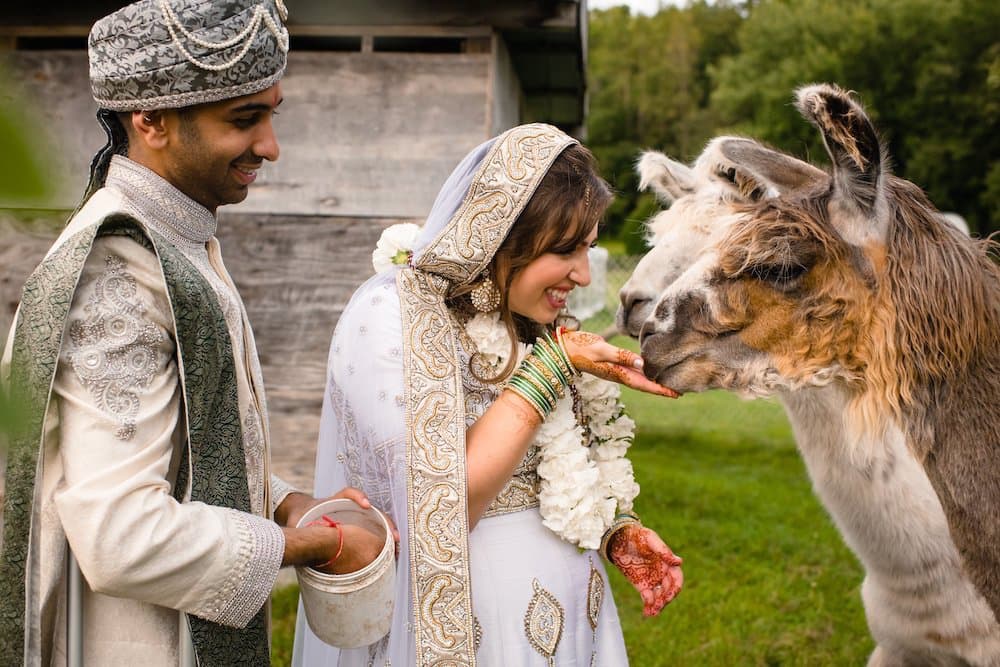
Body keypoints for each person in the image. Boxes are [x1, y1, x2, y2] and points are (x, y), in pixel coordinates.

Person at [0, 1, 385, 665]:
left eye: (271, 113)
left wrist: (284, 500)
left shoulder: (176, 240)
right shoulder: (117, 271)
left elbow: (187, 448)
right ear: (150, 121)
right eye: (244, 119)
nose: (270, 146)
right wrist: (308, 543)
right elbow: (121, 533)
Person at [293, 123, 684, 666]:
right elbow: (444, 505)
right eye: (566, 250)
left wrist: (615, 529)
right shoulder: (394, 317)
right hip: (475, 626)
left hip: (576, 619)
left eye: (588, 250)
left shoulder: (528, 321)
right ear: (503, 238)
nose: (582, 276)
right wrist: (552, 367)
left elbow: (552, 468)